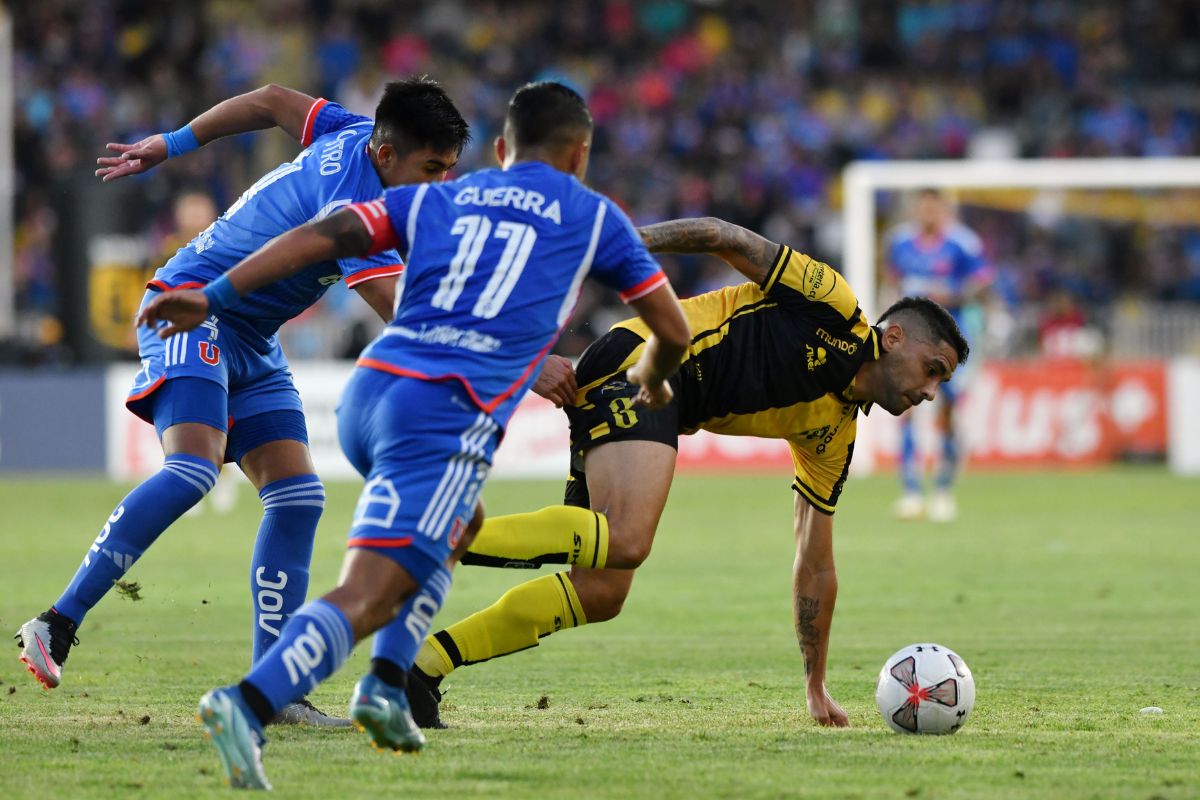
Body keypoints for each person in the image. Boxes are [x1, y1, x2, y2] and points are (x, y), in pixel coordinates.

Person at [140, 80, 692, 790]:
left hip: (371, 395)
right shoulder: (593, 217)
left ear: (499, 150)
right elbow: (672, 328)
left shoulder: (438, 196)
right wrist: (654, 374)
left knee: (461, 526)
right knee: (367, 594)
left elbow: (327, 233)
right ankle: (245, 705)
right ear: (580, 154)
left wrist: (212, 294)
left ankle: (382, 687)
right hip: (441, 415)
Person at [14, 79, 472, 726]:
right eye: (432, 169)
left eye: (449, 171)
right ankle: (56, 622)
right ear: (388, 151)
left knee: (298, 497)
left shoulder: (346, 132)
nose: (439, 183)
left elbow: (271, 99)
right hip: (189, 307)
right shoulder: (354, 199)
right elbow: (397, 309)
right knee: (194, 469)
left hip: (251, 338)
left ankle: (273, 690)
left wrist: (170, 143)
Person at [404, 216, 971, 730]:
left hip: (660, 403)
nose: (929, 391)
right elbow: (723, 236)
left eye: (940, 382)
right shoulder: (831, 303)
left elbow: (815, 563)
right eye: (932, 369)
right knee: (626, 540)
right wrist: (616, 246)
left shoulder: (835, 433)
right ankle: (432, 535)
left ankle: (420, 668)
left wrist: (815, 684)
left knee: (601, 591)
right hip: (646, 361)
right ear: (893, 337)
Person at [884, 189, 990, 523]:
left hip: (949, 342)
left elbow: (984, 281)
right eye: (923, 206)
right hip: (911, 342)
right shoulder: (900, 243)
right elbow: (891, 277)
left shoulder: (962, 243)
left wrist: (953, 294)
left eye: (934, 207)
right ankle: (911, 491)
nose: (928, 212)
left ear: (943, 209)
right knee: (905, 408)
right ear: (917, 209)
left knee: (947, 411)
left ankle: (943, 489)